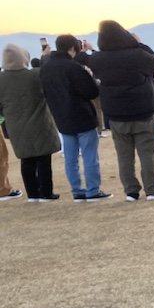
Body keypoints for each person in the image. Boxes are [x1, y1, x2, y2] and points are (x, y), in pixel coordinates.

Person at [86, 21, 154, 201]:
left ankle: (131, 191)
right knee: (147, 153)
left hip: (116, 115)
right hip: (143, 111)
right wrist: (139, 44)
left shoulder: (97, 59)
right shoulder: (137, 55)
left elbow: (91, 63)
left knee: (124, 156)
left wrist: (89, 50)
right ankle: (152, 189)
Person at [38, 35, 112, 202]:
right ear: (72, 48)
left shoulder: (45, 68)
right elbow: (91, 92)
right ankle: (93, 190)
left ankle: (77, 190)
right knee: (89, 156)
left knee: (70, 158)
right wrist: (90, 76)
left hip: (61, 117)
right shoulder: (74, 67)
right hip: (82, 116)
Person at [0, 44, 61, 201]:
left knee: (26, 160)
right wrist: (45, 56)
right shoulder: (34, 75)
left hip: (15, 126)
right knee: (43, 159)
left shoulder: (1, 79)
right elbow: (48, 74)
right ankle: (46, 192)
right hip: (40, 123)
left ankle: (32, 194)